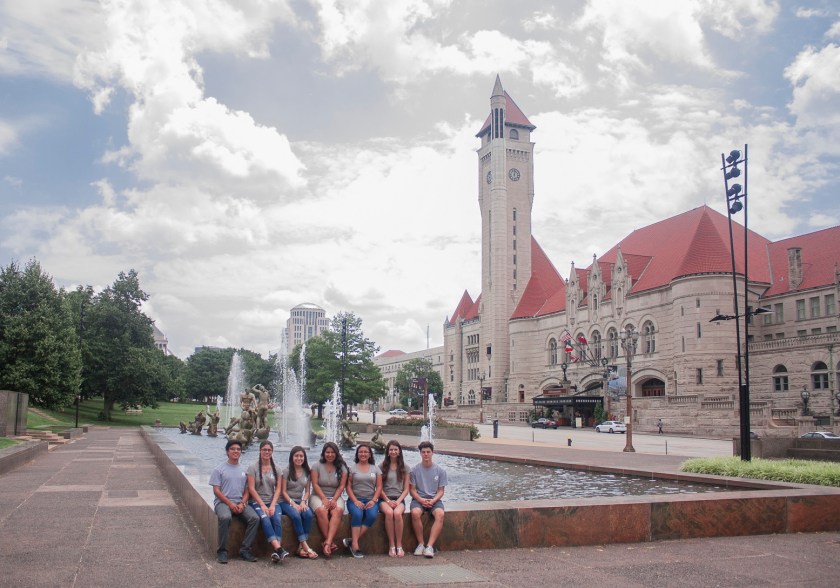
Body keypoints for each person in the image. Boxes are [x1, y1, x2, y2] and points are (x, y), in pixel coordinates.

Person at [210, 439, 260, 564]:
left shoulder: (245, 470)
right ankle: (222, 551)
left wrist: (242, 503)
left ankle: (245, 550)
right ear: (227, 452)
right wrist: (230, 503)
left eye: (238, 449)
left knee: (255, 518)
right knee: (225, 517)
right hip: (223, 503)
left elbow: (247, 490)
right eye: (232, 449)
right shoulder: (219, 469)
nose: (236, 451)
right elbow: (216, 491)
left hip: (240, 502)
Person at [246, 440, 289, 563]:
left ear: (272, 452)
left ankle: (277, 551)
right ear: (260, 451)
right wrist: (263, 505)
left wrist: (273, 505)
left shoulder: (277, 469)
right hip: (257, 501)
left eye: (269, 450)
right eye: (264, 449)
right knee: (264, 518)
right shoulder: (252, 468)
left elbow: (278, 489)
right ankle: (279, 549)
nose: (266, 452)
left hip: (272, 501)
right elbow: (251, 489)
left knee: (276, 519)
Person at [409, 441, 447, 559]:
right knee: (415, 513)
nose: (426, 454)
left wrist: (433, 500)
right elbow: (412, 490)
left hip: (434, 500)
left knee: (440, 514)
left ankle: (429, 546)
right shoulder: (414, 470)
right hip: (418, 499)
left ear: (432, 453)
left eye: (428, 452)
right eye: (423, 452)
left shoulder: (440, 471)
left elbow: (441, 490)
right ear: (420, 453)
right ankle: (421, 544)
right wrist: (421, 500)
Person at [343, 444, 383, 558]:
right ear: (357, 454)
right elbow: (348, 486)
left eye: (366, 452)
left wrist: (374, 500)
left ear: (370, 454)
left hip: (371, 500)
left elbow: (379, 487)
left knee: (371, 515)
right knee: (357, 513)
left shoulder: (375, 469)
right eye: (361, 452)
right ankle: (355, 546)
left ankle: (352, 541)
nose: (363, 454)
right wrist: (355, 501)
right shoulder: (352, 469)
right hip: (355, 500)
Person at [279, 446, 318, 559]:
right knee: (296, 516)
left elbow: (307, 491)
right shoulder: (286, 471)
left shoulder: (307, 472)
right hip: (285, 501)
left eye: (301, 456)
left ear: (304, 458)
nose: (299, 458)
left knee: (308, 514)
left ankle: (300, 547)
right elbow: (283, 491)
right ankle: (306, 546)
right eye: (296, 456)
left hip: (299, 501)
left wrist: (303, 502)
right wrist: (293, 504)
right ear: (292, 457)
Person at [310, 441, 348, 557]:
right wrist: (324, 499)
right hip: (318, 495)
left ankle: (327, 543)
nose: (330, 455)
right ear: (323, 453)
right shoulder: (316, 466)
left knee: (337, 511)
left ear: (336, 454)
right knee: (322, 510)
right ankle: (329, 543)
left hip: (335, 496)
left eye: (332, 452)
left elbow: (341, 486)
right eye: (327, 452)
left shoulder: (342, 467)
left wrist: (334, 500)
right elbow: (315, 484)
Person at [379, 440, 410, 557]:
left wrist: (397, 501)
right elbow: (379, 488)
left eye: (395, 449)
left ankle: (399, 545)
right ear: (387, 451)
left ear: (399, 451)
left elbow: (406, 489)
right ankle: (391, 545)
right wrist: (387, 500)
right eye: (391, 449)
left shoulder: (405, 467)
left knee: (397, 514)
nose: (393, 452)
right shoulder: (382, 466)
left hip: (399, 499)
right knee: (388, 513)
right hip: (384, 499)